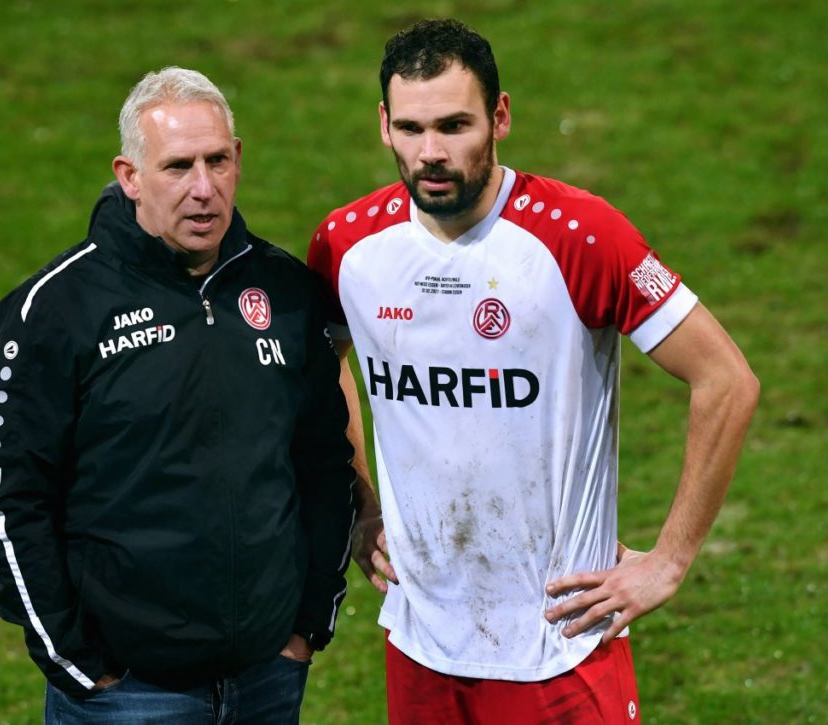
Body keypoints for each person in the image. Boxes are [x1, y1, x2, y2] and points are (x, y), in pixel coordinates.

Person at [307, 19, 759, 724]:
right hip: (422, 648)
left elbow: (727, 380)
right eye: (411, 127)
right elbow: (320, 369)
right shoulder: (349, 245)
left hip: (562, 650)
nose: (431, 153)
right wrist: (361, 506)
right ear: (384, 126)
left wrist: (669, 561)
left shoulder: (579, 236)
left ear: (501, 117)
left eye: (455, 125)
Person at [0, 66, 356, 724]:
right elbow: (12, 505)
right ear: (129, 176)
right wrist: (79, 663)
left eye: (217, 162)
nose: (203, 189)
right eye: (178, 166)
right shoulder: (54, 312)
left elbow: (325, 465)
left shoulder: (287, 292)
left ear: (238, 159)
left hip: (267, 676)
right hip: (126, 692)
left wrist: (307, 626)